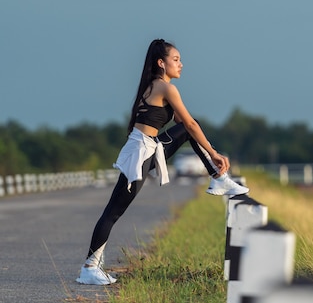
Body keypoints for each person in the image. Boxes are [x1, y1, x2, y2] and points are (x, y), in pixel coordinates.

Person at [76, 39, 248, 285]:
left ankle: (218, 179)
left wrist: (208, 153)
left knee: (189, 130)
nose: (181, 64)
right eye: (176, 60)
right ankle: (89, 267)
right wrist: (214, 152)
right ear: (161, 62)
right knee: (113, 212)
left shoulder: (156, 86)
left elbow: (184, 123)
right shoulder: (166, 89)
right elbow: (189, 124)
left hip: (149, 147)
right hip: (140, 153)